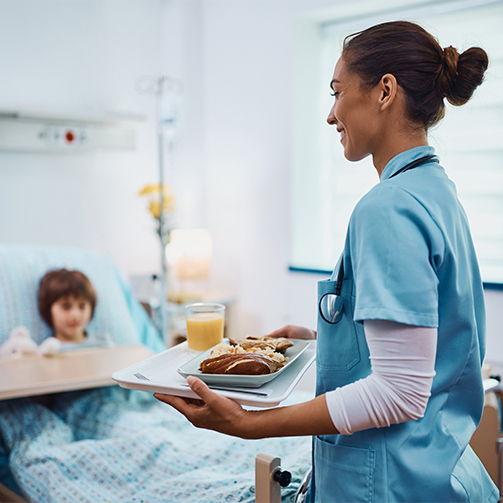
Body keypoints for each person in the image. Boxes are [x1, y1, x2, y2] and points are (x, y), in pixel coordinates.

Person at [155, 21, 499, 502]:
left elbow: (399, 392)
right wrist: (328, 341)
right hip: (439, 470)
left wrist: (252, 425)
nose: (331, 114)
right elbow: (429, 348)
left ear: (384, 91)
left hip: (388, 483)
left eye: (337, 92)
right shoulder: (438, 193)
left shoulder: (388, 208)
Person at [38, 268, 97, 343]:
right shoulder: (46, 351)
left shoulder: (106, 344)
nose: (75, 315)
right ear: (48, 310)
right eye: (66, 306)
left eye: (82, 306)